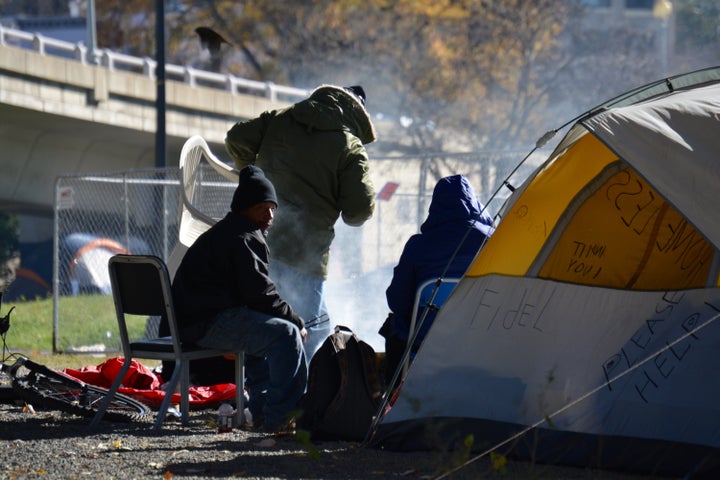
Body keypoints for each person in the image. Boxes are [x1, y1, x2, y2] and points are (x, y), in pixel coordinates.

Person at [225, 84, 377, 361]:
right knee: (309, 331)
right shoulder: (349, 145)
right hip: (305, 255)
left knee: (265, 322)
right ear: (359, 114)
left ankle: (256, 391)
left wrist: (256, 179)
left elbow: (236, 137)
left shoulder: (282, 117)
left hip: (257, 243)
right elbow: (359, 210)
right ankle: (291, 399)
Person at [170, 165, 308, 433]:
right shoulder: (244, 235)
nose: (269, 215)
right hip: (207, 323)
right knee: (287, 335)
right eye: (262, 208)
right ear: (245, 207)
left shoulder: (227, 231)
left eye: (273, 209)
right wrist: (296, 320)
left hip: (194, 322)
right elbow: (259, 292)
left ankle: (261, 412)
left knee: (266, 331)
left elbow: (255, 297)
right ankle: (280, 418)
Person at [379, 175, 494, 386]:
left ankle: (393, 399)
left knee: (395, 324)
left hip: (426, 341)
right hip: (481, 338)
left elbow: (397, 300)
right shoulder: (493, 241)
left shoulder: (418, 245)